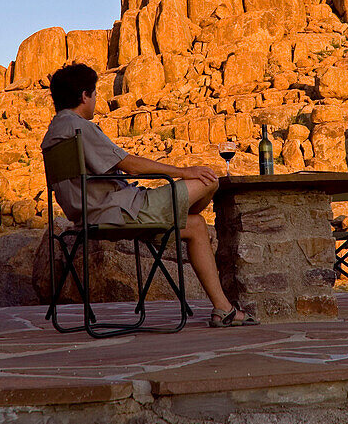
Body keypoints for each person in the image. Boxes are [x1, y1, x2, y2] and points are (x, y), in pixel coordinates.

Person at [41, 62, 257, 327]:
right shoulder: (78, 127)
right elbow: (128, 164)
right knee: (209, 180)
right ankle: (172, 217)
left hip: (87, 215)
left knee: (196, 225)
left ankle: (223, 309)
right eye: (95, 93)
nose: (97, 100)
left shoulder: (53, 133)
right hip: (119, 211)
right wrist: (182, 171)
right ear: (84, 95)